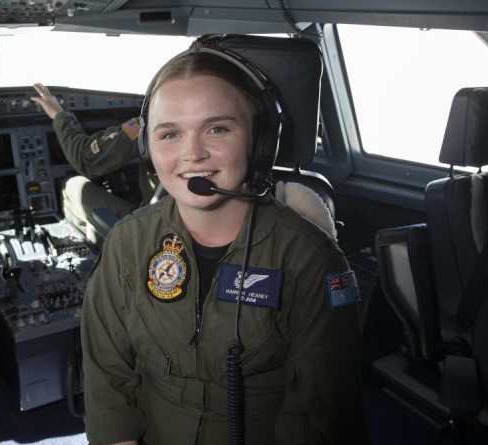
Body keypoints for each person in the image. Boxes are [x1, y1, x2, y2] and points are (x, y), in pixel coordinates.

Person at [80, 48, 368, 444]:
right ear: (149, 146)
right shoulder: (127, 243)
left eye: (217, 129)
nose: (192, 153)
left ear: (260, 140)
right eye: (170, 133)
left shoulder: (311, 260)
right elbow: (107, 378)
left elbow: (319, 417)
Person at [31, 83, 158, 239]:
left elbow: (86, 160)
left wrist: (59, 115)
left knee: (72, 186)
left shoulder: (147, 124)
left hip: (150, 230)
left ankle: (109, 251)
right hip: (179, 221)